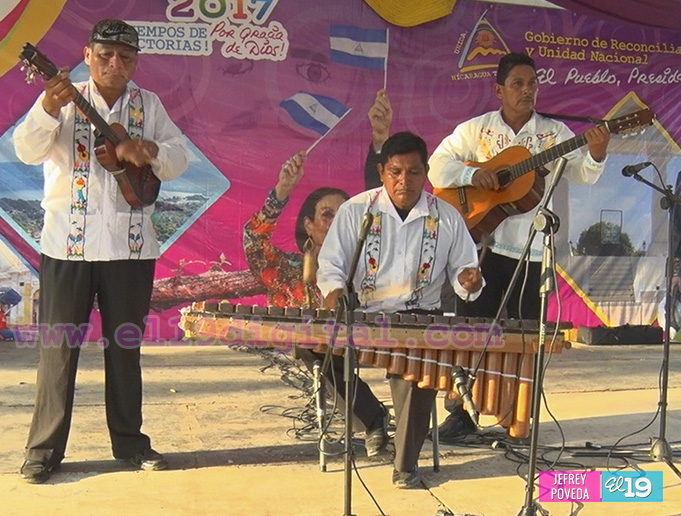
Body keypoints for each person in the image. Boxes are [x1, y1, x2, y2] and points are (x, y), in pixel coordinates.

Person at [13, 19, 189, 484]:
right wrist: (48, 107)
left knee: (125, 351)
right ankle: (43, 451)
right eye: (106, 54)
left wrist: (146, 149)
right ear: (87, 54)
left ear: (135, 62)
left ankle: (130, 443)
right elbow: (26, 150)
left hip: (130, 251)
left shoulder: (147, 104)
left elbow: (178, 156)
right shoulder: (62, 97)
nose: (116, 64)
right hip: (65, 248)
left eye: (126, 57)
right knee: (57, 352)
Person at [426, 52, 610, 438]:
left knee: (527, 337)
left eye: (533, 84)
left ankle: (516, 413)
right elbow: (437, 167)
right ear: (499, 90)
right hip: (481, 244)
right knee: (473, 330)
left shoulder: (555, 133)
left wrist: (595, 154)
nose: (527, 91)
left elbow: (582, 174)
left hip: (532, 250)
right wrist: (473, 174)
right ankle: (461, 412)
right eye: (518, 84)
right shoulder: (475, 131)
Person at [318, 131, 483, 489]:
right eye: (395, 171)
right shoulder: (355, 211)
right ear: (382, 172)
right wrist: (333, 293)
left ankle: (405, 464)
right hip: (362, 314)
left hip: (420, 318)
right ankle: (372, 418)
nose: (403, 181)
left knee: (420, 369)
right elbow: (330, 265)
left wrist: (468, 281)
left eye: (413, 172)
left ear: (426, 173)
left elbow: (464, 271)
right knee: (315, 349)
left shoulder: (448, 217)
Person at [243, 151, 390, 457]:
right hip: (320, 351)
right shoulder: (291, 270)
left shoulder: (369, 265)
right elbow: (254, 243)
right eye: (327, 214)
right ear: (308, 225)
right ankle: (374, 419)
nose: (337, 221)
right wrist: (282, 190)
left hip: (370, 337)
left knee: (317, 347)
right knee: (309, 346)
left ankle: (381, 419)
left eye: (344, 214)